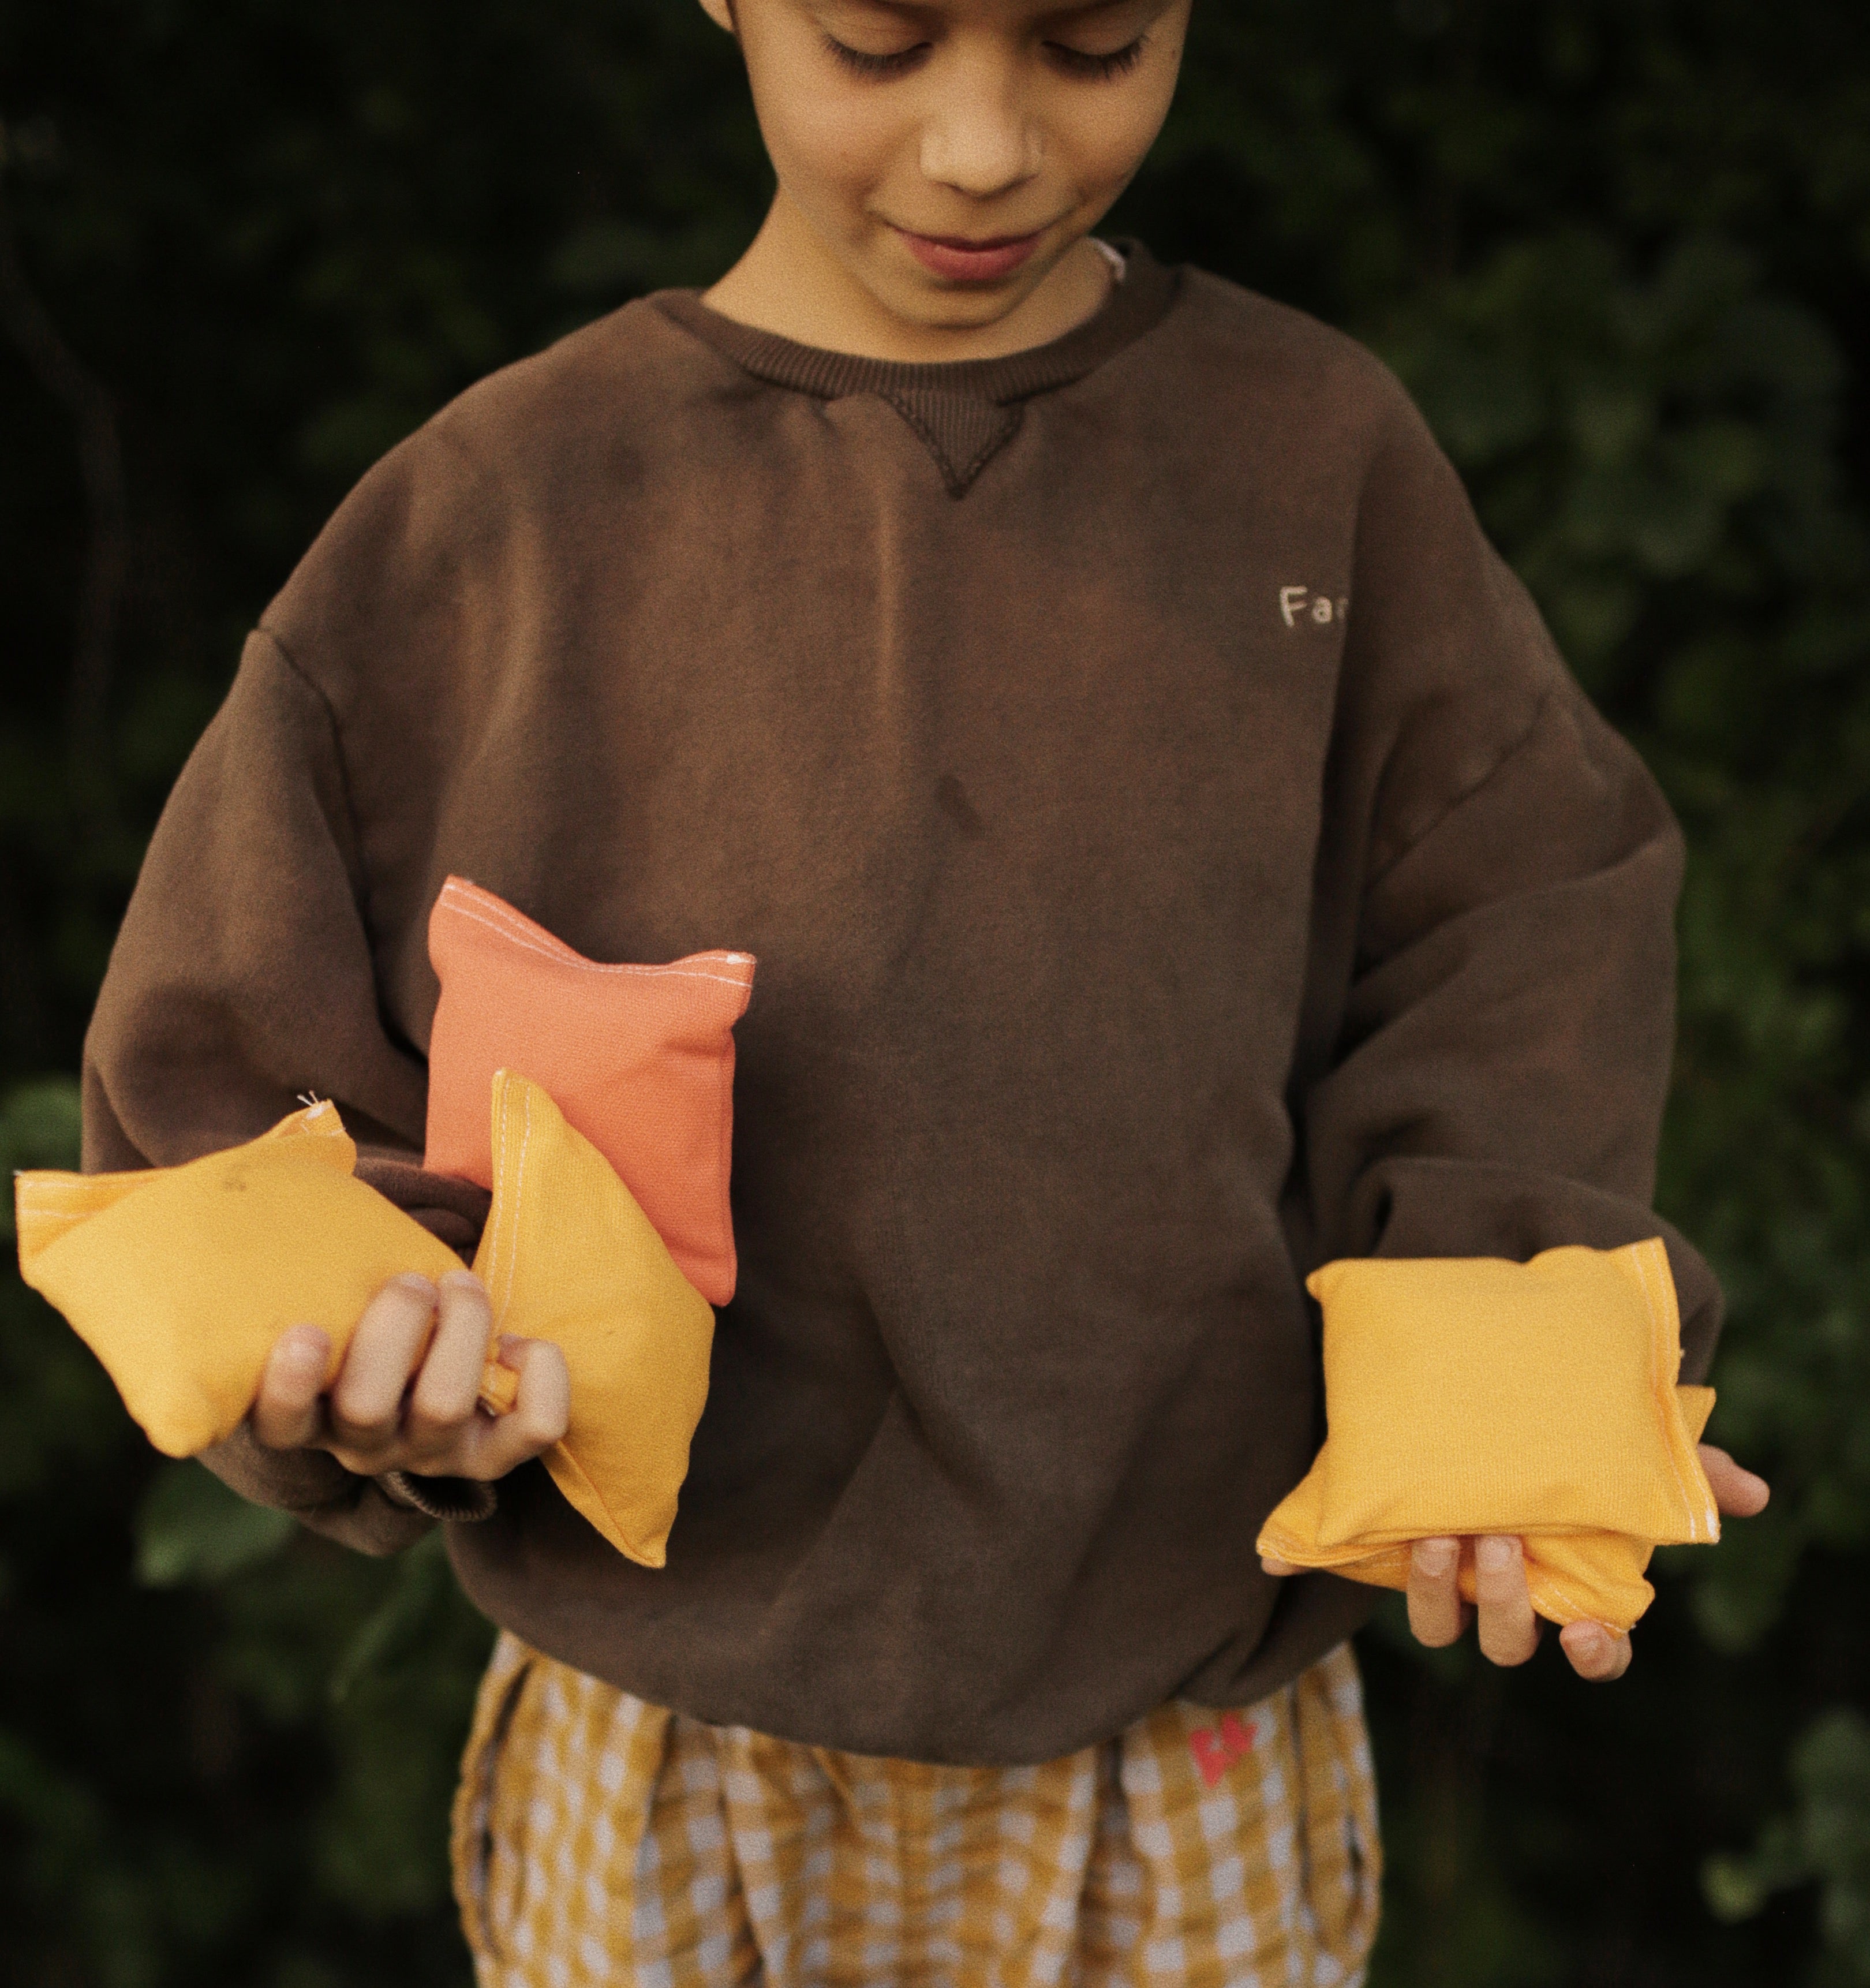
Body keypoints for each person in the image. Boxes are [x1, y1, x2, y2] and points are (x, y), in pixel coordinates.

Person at [80, 1, 1768, 1981]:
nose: (984, 145)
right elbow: (234, 1117)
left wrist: (1508, 1340)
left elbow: (1518, 906)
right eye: (879, 42)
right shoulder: (504, 515)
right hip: (665, 1754)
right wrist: (386, 1374)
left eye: (1093, 41)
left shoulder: (1312, 466)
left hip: (1179, 1748)